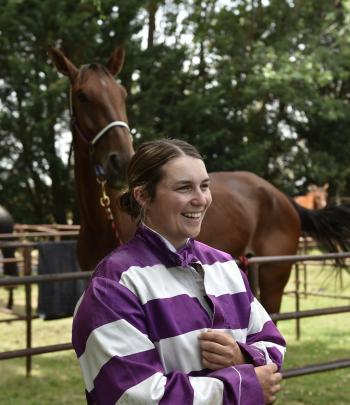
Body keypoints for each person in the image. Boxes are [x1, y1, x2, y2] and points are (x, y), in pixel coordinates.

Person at [72, 138, 285, 404]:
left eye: (204, 186)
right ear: (142, 196)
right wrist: (243, 387)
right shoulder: (113, 287)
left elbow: (272, 343)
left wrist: (241, 356)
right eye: (184, 188)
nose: (201, 200)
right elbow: (134, 395)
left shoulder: (225, 266)